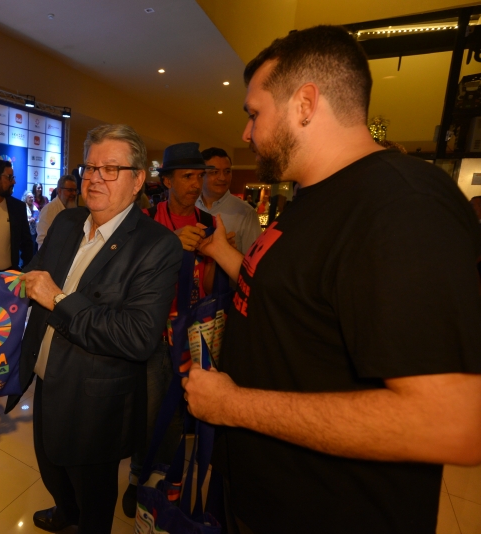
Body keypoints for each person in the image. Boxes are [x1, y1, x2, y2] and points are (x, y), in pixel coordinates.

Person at [184, 25, 481, 534]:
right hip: (263, 495)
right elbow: (287, 295)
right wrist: (222, 252)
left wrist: (234, 406)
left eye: (254, 114)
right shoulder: (313, 195)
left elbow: (453, 425)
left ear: (304, 104)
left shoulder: (402, 206)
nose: (246, 134)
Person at [0, 124, 182, 532]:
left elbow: (137, 337)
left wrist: (59, 300)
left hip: (96, 399)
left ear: (138, 179)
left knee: (92, 494)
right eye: (90, 168)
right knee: (52, 467)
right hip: (46, 379)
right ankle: (65, 512)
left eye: (110, 169)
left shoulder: (158, 245)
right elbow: (20, 282)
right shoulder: (69, 222)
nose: (95, 178)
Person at [119, 141, 218, 518]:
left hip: (191, 335)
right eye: (187, 176)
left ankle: (164, 482)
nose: (196, 184)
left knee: (178, 414)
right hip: (152, 332)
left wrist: (215, 257)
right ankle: (137, 477)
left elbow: (208, 286)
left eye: (199, 176)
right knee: (146, 412)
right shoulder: (146, 220)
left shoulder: (208, 223)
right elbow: (127, 278)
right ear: (168, 181)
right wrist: (170, 246)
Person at [197, 147, 262, 254]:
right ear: (201, 175)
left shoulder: (246, 213)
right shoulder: (190, 205)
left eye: (227, 171)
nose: (222, 178)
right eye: (215, 172)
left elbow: (253, 258)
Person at [36, 175, 78, 248]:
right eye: (70, 190)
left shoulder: (74, 210)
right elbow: (42, 241)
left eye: (75, 190)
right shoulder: (49, 210)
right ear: (59, 191)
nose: (74, 193)